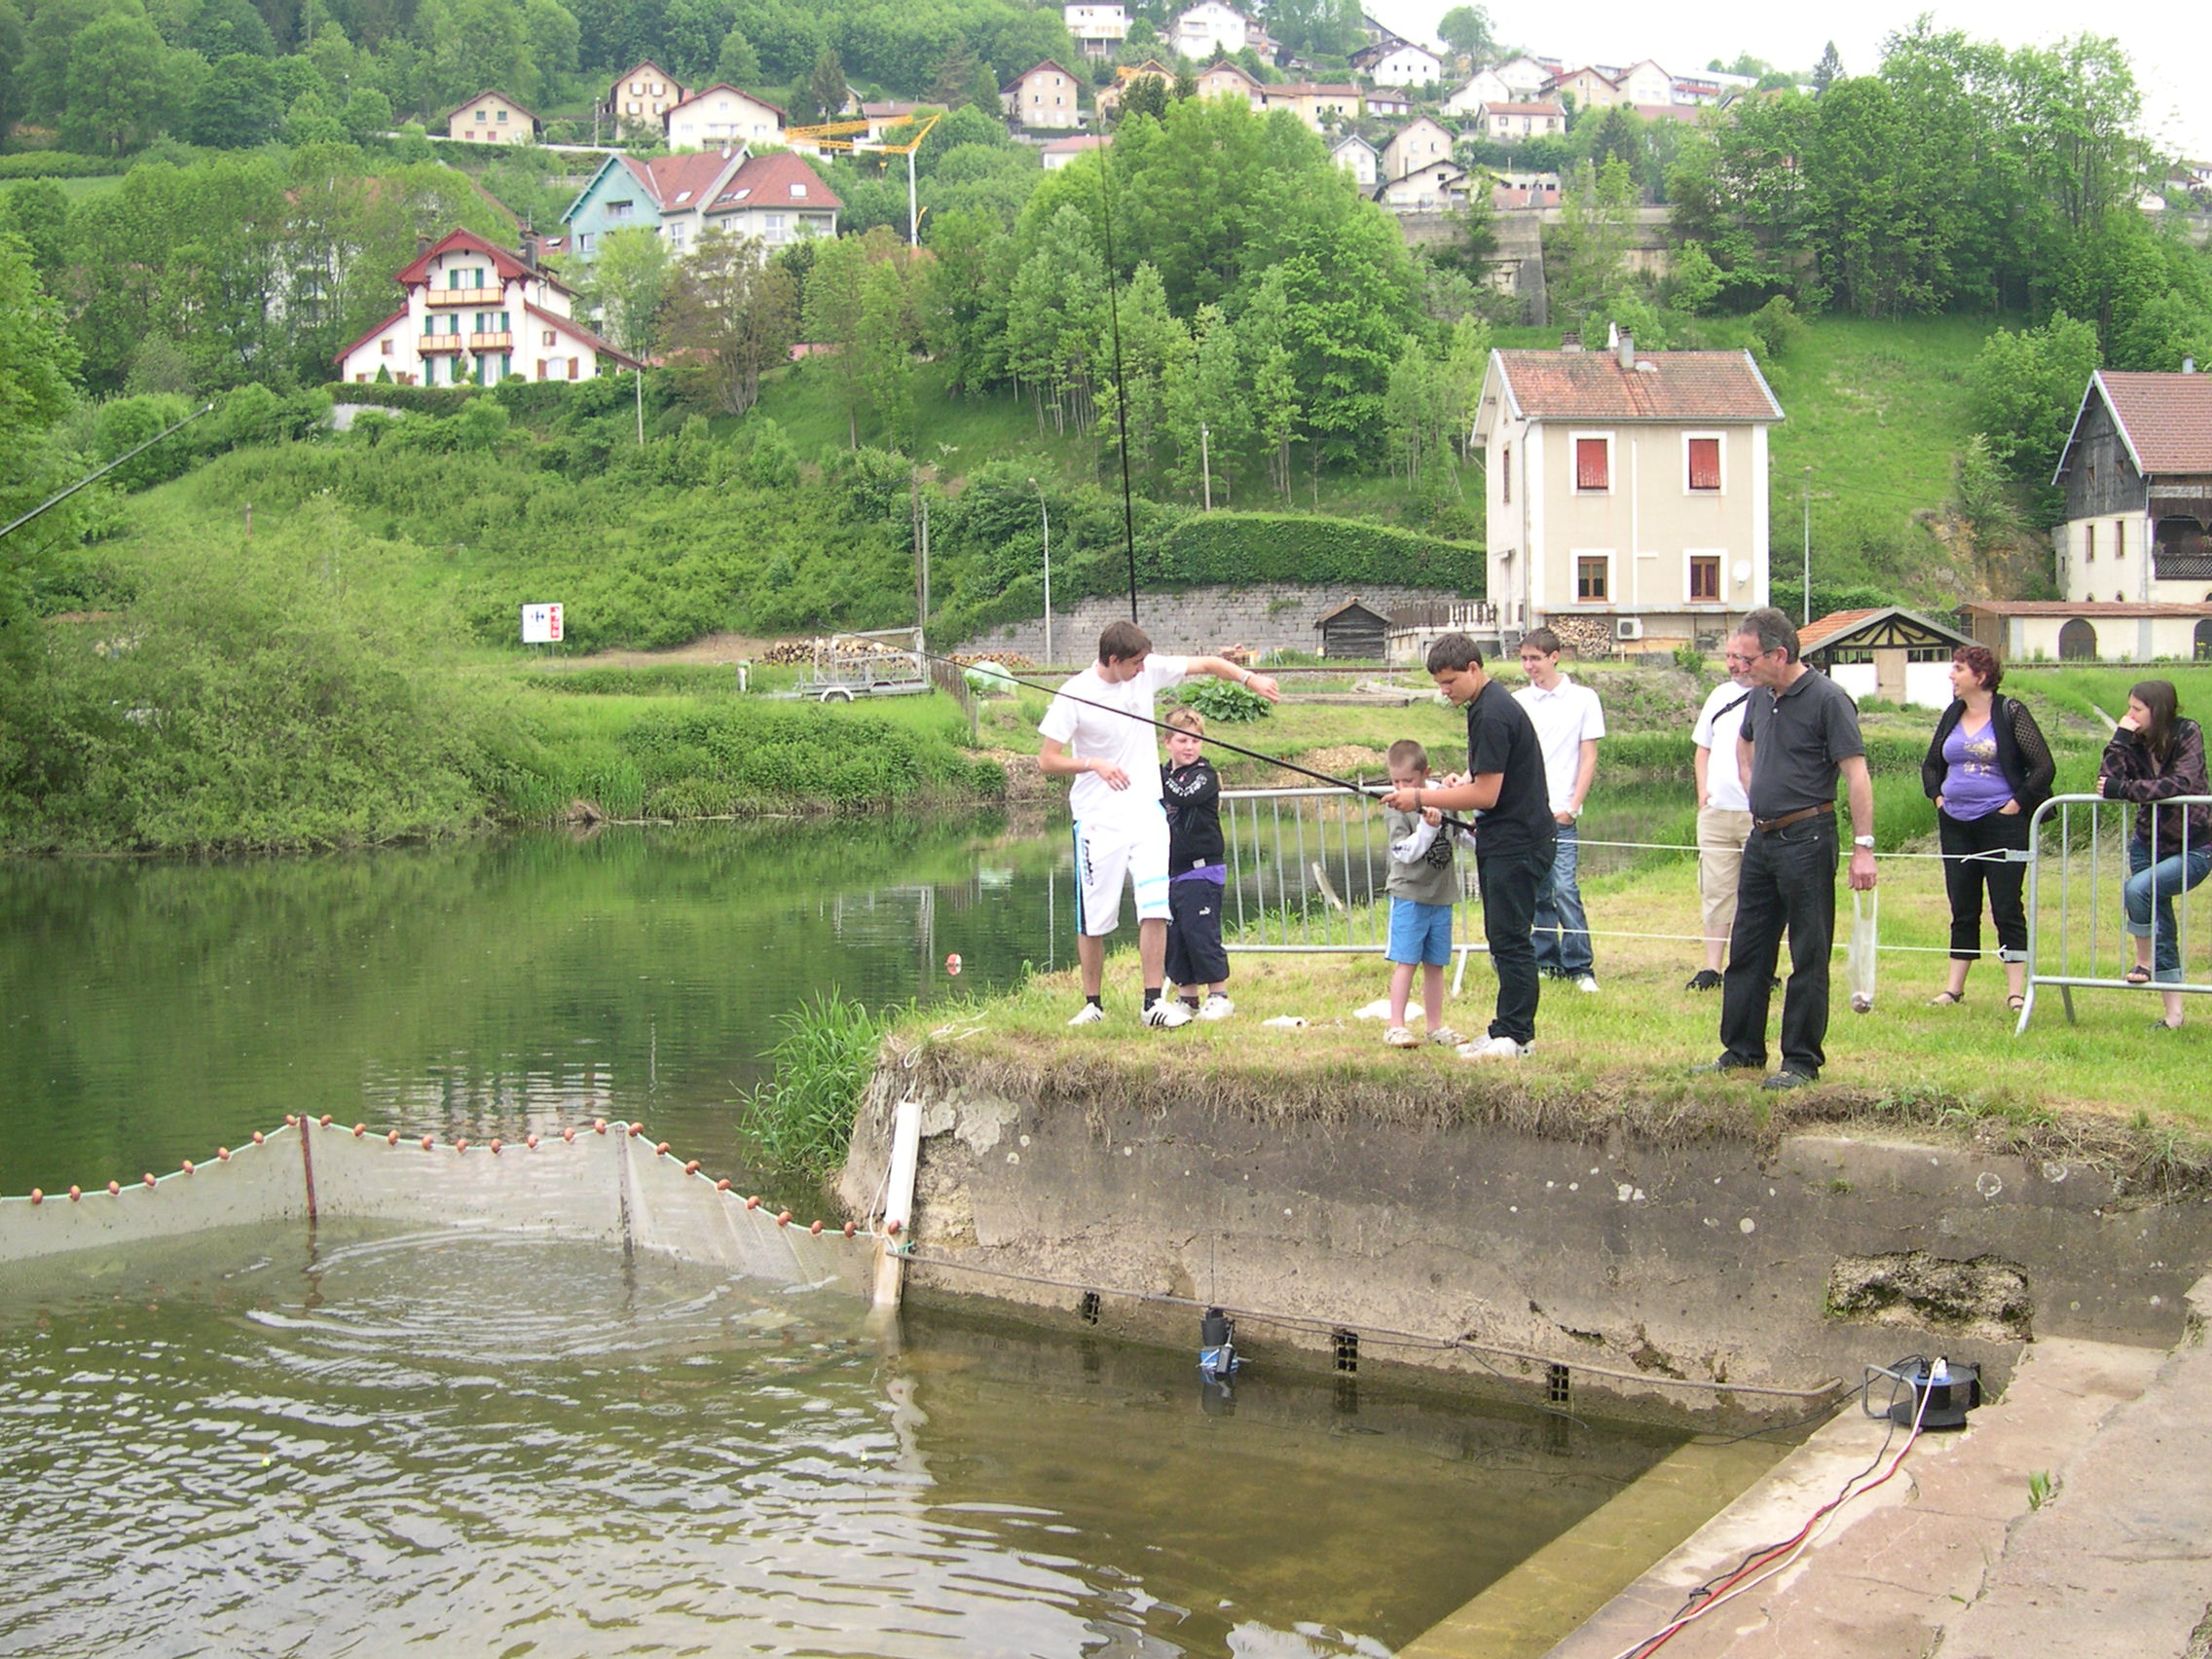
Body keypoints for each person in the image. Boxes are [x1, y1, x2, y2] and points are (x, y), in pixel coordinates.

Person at [1039, 620, 1279, 1028]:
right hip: (1097, 818)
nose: (1141, 669)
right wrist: (1093, 764)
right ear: (1112, 660)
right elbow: (1047, 760)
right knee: (1094, 918)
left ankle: (1153, 1002)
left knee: (1155, 906)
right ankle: (1093, 1004)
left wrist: (1249, 678)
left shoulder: (1146, 671)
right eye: (1134, 663)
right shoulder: (1074, 694)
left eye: (1143, 662)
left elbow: (1207, 664)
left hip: (1147, 812)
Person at [1693, 608, 1876, 1089]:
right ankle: (1741, 1051)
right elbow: (1744, 746)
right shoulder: (1758, 696)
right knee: (1748, 947)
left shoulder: (1828, 699)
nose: (1740, 666)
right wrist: (1757, 792)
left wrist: (1864, 847)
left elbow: (1856, 774)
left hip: (1808, 836)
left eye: (1748, 658)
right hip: (1763, 837)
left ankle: (1800, 1061)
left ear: (1778, 654)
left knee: (1808, 952)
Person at [1380, 633, 1556, 1061]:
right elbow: (1486, 780)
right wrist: (1463, 781)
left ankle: (1516, 1036)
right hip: (1508, 839)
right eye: (1439, 684)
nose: (1445, 691)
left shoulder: (1491, 713)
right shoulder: (1486, 706)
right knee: (1503, 939)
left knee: (1511, 942)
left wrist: (1420, 797)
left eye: (1449, 681)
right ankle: (1505, 1029)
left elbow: (1487, 796)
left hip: (1516, 843)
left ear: (1474, 669)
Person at [1920, 645, 2054, 1015]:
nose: (1951, 675)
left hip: (2001, 824)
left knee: (2006, 906)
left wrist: (2016, 805)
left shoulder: (2010, 712)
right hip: (1955, 823)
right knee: (1962, 905)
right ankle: (1953, 988)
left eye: (1958, 668)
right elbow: (1931, 764)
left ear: (1980, 676)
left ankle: (2015, 992)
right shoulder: (1952, 713)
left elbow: (2043, 767)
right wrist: (1938, 799)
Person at [2099, 680, 2212, 1032]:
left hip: (2195, 844)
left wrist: (2127, 790)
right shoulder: (2132, 740)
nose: (2129, 714)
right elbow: (2106, 783)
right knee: (2160, 922)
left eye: (2137, 709)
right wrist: (2119, 738)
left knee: (2138, 889)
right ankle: (2173, 1015)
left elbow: (2180, 783)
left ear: (2157, 710)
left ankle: (2143, 961)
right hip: (2147, 842)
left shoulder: (2186, 731)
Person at [1512, 628, 1605, 993]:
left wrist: (1573, 806)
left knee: (1565, 888)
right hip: (1530, 815)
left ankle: (1579, 965)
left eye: (1535, 658)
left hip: (1562, 813)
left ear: (1554, 657)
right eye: (1524, 659)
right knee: (1538, 892)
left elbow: (1588, 756)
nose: (1529, 666)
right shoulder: (1519, 701)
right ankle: (1545, 960)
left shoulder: (1583, 698)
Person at [1379, 739, 1465, 1050]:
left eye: (1408, 781)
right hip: (1409, 895)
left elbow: (1461, 835)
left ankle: (1434, 1026)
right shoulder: (1395, 808)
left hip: (1441, 896)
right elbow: (1404, 852)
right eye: (1396, 782)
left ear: (1426, 774)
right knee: (1406, 961)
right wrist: (1427, 829)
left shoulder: (1444, 798)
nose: (1401, 788)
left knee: (1435, 963)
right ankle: (1396, 1026)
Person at [1688, 648, 1757, 992]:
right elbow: (1703, 748)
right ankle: (1712, 967)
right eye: (1728, 655)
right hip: (1717, 812)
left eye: (1739, 656)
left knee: (1757, 894)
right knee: (1716, 891)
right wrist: (1703, 793)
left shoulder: (1770, 696)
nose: (1731, 663)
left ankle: (1757, 966)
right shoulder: (1719, 695)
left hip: (1756, 813)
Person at [1161, 707, 1233, 1021]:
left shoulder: (1205, 775)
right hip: (1172, 871)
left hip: (1202, 870)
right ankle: (1187, 997)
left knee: (1201, 933)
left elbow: (1182, 795)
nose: (1189, 747)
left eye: (1195, 740)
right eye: (1182, 740)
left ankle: (1219, 995)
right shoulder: (1164, 774)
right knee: (1177, 938)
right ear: (1167, 742)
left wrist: (1155, 774)